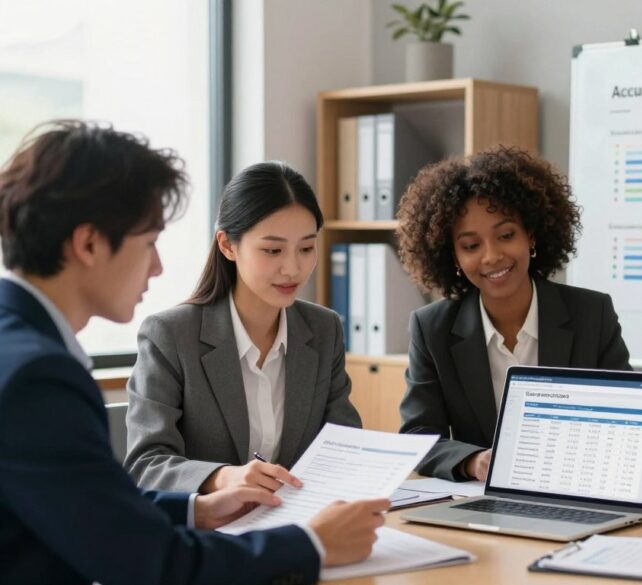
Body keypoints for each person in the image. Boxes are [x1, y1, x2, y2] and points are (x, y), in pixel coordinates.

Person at [0, 120, 387, 584]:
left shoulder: (21, 349)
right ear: (88, 243)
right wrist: (311, 544)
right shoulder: (35, 375)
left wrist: (195, 510)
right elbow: (150, 561)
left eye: (306, 248)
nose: (159, 265)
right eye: (149, 243)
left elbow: (85, 504)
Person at [395, 145, 632, 481]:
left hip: (576, 487)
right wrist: (473, 461)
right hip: (482, 504)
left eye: (506, 235)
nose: (491, 256)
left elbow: (628, 422)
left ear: (531, 235)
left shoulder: (592, 314)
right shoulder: (432, 328)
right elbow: (418, 437)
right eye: (471, 245)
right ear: (453, 257)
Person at [125, 161, 361, 494]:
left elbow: (345, 447)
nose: (293, 268)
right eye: (272, 250)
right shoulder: (170, 335)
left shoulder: (324, 329)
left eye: (307, 248)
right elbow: (146, 465)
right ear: (227, 245)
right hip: (210, 530)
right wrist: (224, 477)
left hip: (300, 521)